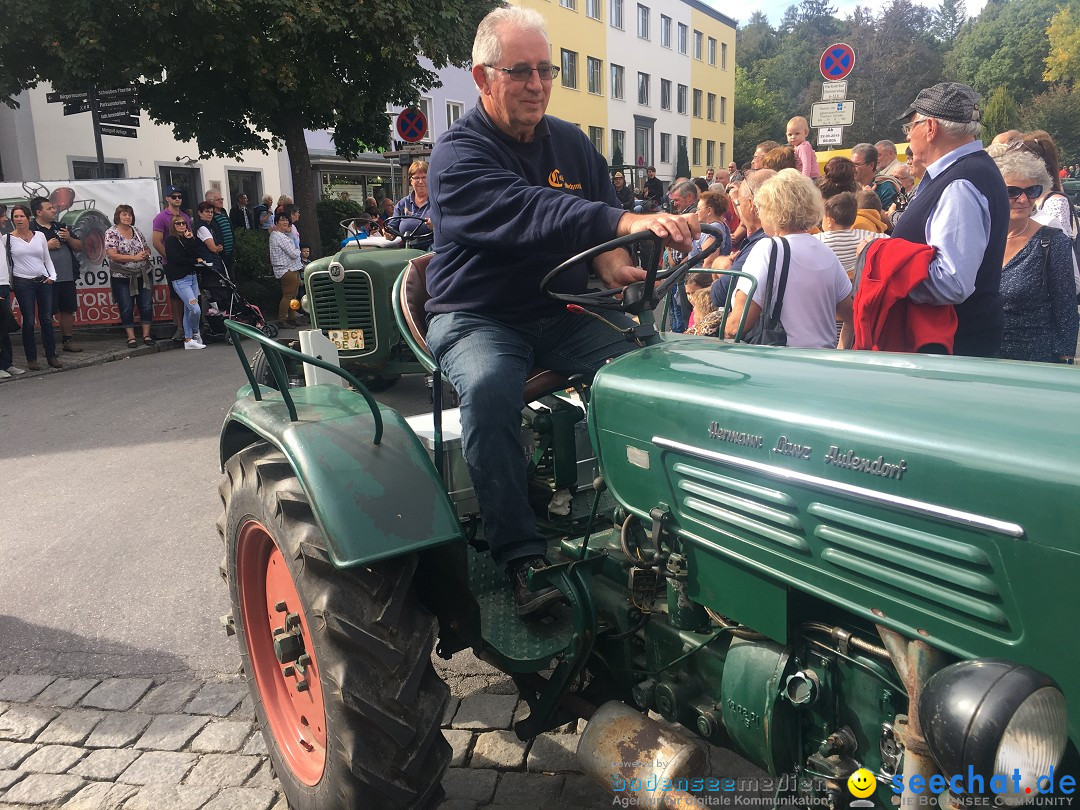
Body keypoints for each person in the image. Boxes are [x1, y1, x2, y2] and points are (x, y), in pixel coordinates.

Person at [425, 6, 697, 616]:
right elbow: (533, 211)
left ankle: (661, 526)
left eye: (547, 70)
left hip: (560, 308)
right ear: (482, 77)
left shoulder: (571, 143)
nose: (537, 84)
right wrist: (624, 219)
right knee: (492, 391)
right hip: (477, 313)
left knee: (646, 368)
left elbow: (597, 239)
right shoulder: (457, 155)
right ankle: (520, 559)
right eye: (520, 71)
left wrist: (617, 266)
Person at [893, 82, 1009, 357]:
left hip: (950, 348)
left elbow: (951, 283)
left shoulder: (961, 183)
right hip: (951, 343)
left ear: (930, 128)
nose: (909, 138)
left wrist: (885, 266)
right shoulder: (966, 173)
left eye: (910, 128)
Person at [724, 169, 852, 348]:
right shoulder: (826, 252)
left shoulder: (768, 249)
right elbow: (853, 315)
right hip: (824, 363)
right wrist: (841, 351)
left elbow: (737, 324)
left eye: (761, 208)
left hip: (782, 364)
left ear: (771, 210)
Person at [992, 149, 1078, 363]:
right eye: (1012, 191)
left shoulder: (1051, 241)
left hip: (1033, 360)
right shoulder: (979, 239)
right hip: (982, 356)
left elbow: (1066, 309)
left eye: (1032, 190)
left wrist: (1065, 361)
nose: (1023, 199)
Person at [709, 170, 776, 311]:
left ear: (751, 204)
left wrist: (719, 267)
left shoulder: (763, 243)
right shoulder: (808, 239)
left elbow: (720, 294)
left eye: (739, 202)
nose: (737, 208)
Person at [3, 204, 61, 370]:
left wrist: (52, 276)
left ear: (29, 218)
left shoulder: (40, 236)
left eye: (21, 216)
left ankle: (51, 355)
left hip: (43, 281)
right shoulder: (7, 239)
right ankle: (31, 359)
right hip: (23, 282)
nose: (18, 220)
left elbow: (47, 258)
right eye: (15, 217)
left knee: (47, 319)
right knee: (28, 321)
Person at [30, 196, 83, 353]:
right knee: (47, 313)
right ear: (38, 212)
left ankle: (68, 341)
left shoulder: (60, 226)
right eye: (49, 208)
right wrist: (47, 246)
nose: (54, 210)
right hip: (46, 279)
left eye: (53, 208)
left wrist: (69, 238)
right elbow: (25, 253)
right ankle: (49, 345)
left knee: (67, 309)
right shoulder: (32, 230)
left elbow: (79, 246)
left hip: (67, 276)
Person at [104, 204, 155, 348]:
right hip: (122, 276)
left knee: (146, 305)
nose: (127, 217)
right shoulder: (111, 232)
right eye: (124, 214)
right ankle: (131, 337)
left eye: (130, 215)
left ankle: (146, 335)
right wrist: (134, 258)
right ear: (118, 216)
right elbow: (112, 255)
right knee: (126, 306)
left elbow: (146, 248)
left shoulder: (136, 230)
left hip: (142, 274)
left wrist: (146, 253)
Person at [816, 192, 888, 278]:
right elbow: (888, 238)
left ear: (830, 222)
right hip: (854, 283)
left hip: (830, 284)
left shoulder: (819, 240)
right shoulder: (861, 235)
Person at [152, 185, 192, 341]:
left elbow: (189, 238)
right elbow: (156, 242)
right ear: (167, 199)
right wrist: (171, 258)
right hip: (172, 264)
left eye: (179, 196)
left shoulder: (185, 217)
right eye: (173, 196)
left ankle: (191, 327)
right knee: (176, 297)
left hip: (187, 263)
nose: (177, 199)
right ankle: (179, 327)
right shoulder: (161, 217)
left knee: (190, 296)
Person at [163, 217, 205, 349]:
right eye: (178, 223)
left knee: (188, 309)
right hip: (181, 279)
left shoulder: (185, 239)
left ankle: (188, 340)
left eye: (183, 223)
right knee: (195, 309)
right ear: (173, 226)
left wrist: (190, 240)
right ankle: (195, 333)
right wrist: (193, 261)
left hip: (192, 277)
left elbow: (197, 252)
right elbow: (176, 259)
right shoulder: (171, 241)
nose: (181, 225)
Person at [269, 213, 302, 327]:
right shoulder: (279, 237)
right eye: (282, 220)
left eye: (287, 220)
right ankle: (282, 319)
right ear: (276, 222)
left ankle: (292, 317)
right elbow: (294, 253)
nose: (285, 222)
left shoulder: (283, 235)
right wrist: (299, 251)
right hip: (286, 269)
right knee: (288, 295)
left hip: (293, 268)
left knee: (294, 295)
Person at [393, 161, 435, 249]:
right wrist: (388, 233)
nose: (421, 181)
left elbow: (448, 226)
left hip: (431, 250)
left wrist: (435, 226)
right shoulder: (402, 204)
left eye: (424, 177)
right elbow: (392, 228)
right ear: (411, 181)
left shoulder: (437, 201)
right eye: (416, 178)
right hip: (406, 248)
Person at [850, 143, 900, 211]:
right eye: (851, 164)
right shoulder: (850, 186)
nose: (852, 168)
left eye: (857, 165)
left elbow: (891, 219)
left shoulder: (886, 188)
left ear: (871, 165)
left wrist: (871, 201)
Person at [206, 190, 236, 274]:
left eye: (221, 199)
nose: (221, 201)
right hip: (220, 253)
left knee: (232, 276)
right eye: (218, 199)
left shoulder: (223, 212)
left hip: (230, 253)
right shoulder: (210, 217)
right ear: (210, 202)